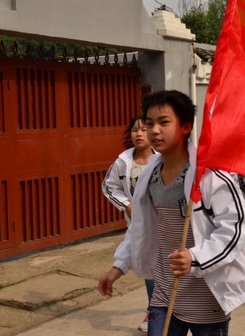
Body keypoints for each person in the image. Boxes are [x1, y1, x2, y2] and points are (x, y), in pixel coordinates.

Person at [98, 90, 245, 336]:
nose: (154, 131)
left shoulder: (209, 176)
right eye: (149, 123)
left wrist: (196, 257)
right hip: (165, 291)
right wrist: (118, 266)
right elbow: (141, 227)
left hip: (206, 296)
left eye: (164, 122)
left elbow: (236, 228)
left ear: (185, 127)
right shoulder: (150, 176)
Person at [102, 115, 156, 332]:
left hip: (163, 222)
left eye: (144, 130)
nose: (139, 134)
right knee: (149, 267)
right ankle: (154, 312)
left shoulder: (162, 159)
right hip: (139, 225)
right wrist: (126, 205)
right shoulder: (123, 161)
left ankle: (163, 311)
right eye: (135, 130)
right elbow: (109, 187)